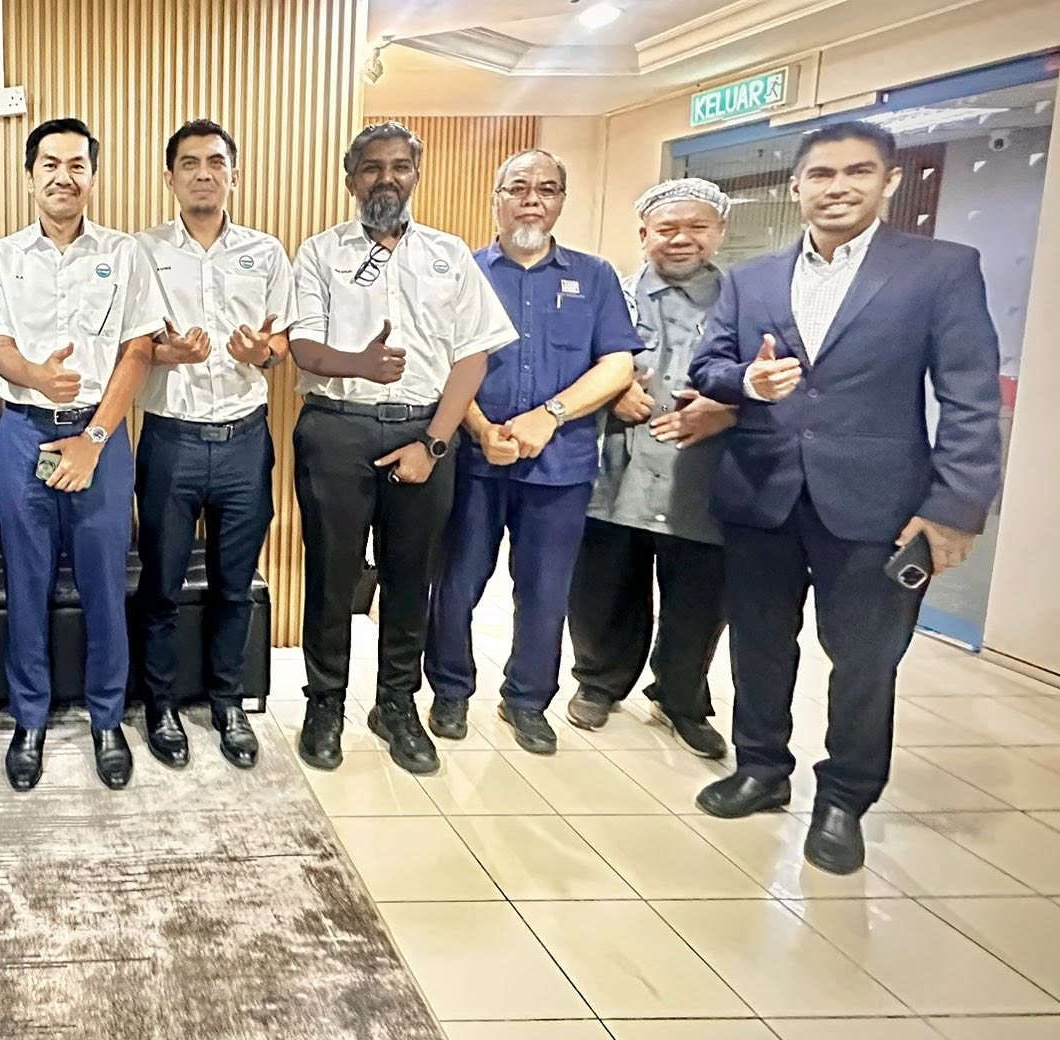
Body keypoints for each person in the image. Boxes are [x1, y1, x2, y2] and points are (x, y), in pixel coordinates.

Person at [689, 121, 1002, 875]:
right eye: (822, 174)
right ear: (796, 186)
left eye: (858, 172)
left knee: (865, 658)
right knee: (760, 643)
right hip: (762, 493)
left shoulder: (940, 270)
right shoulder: (753, 279)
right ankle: (761, 767)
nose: (838, 187)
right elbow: (708, 364)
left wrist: (955, 507)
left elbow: (970, 399)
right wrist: (745, 381)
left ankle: (844, 799)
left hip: (879, 504)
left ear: (889, 181)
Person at [287, 122, 512, 777]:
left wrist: (435, 442)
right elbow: (302, 347)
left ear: (416, 175)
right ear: (351, 178)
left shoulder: (450, 255)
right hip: (337, 430)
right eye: (372, 168)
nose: (386, 178)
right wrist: (358, 363)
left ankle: (396, 705)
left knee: (411, 579)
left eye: (399, 167)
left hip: (424, 432)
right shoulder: (319, 253)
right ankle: (324, 704)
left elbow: (473, 356)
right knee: (331, 578)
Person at [424, 149, 639, 756]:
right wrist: (478, 427)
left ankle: (526, 699)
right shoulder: (461, 272)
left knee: (545, 591)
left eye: (546, 189)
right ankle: (450, 690)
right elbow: (436, 358)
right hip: (473, 460)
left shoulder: (595, 277)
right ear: (495, 198)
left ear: (561, 201)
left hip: (560, 463)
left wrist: (550, 416)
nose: (531, 200)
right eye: (518, 188)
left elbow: (617, 364)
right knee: (456, 582)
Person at [0, 117, 164, 792]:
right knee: (25, 584)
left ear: (93, 175)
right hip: (23, 432)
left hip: (100, 435)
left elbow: (138, 351)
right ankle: (29, 719)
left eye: (77, 164)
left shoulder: (124, 253)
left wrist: (93, 439)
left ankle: (107, 719)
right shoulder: (4, 256)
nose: (64, 176)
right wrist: (35, 376)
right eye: (50, 164)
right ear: (30, 176)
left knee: (104, 586)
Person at [133, 119, 290, 771]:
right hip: (170, 439)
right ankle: (161, 705)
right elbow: (128, 344)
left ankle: (228, 703)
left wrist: (264, 353)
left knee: (234, 586)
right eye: (190, 163)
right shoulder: (141, 251)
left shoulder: (266, 252)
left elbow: (283, 341)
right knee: (161, 586)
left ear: (234, 175)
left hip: (243, 442)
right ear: (169, 178)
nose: (204, 173)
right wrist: (163, 352)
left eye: (216, 162)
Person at [564, 178, 736, 759]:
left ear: (719, 232)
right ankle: (599, 682)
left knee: (699, 597)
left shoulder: (744, 299)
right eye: (667, 228)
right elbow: (568, 359)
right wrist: (610, 392)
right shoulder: (607, 292)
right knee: (603, 586)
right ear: (644, 235)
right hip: (615, 465)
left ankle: (681, 698)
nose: (681, 238)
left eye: (697, 227)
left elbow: (779, 372)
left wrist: (728, 409)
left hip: (702, 473)